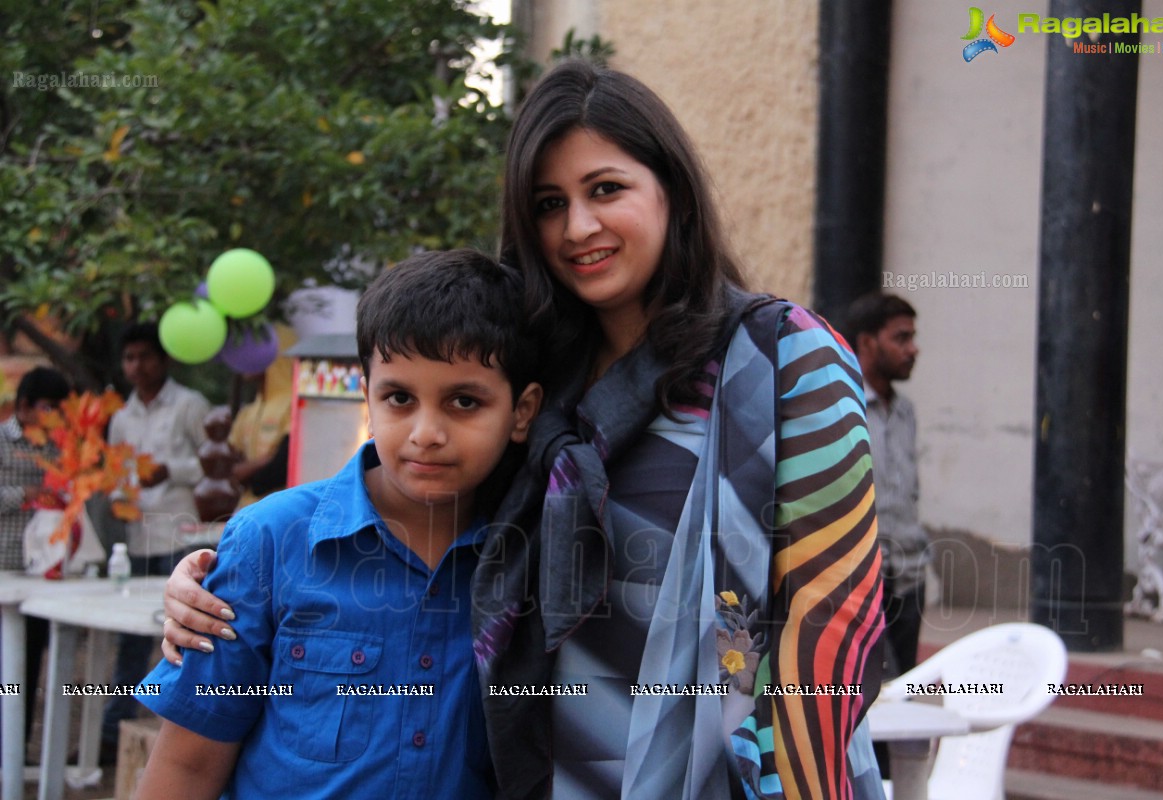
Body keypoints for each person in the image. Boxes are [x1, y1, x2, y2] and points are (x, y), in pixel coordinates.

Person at [160, 60, 886, 800]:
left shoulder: (780, 356)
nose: (578, 227)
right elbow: (420, 516)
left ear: (671, 189)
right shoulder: (539, 373)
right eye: (548, 203)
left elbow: (834, 619)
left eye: (606, 189)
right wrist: (226, 580)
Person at [134, 250, 542, 799]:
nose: (426, 432)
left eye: (464, 402)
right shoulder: (271, 541)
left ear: (521, 412)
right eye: (399, 397)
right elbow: (186, 766)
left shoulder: (530, 554)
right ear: (366, 394)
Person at [102, 322, 212, 755]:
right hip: (138, 538)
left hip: (184, 538)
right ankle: (115, 733)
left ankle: (181, 736)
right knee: (129, 637)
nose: (137, 366)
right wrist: (116, 498)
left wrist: (174, 470)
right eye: (129, 358)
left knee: (184, 637)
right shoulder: (121, 416)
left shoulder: (190, 404)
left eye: (145, 356)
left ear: (163, 359)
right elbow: (117, 473)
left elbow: (218, 463)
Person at [842, 293, 925, 680]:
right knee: (870, 688)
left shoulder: (906, 410)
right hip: (860, 575)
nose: (913, 349)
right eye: (901, 338)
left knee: (903, 685)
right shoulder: (839, 402)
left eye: (912, 338)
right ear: (867, 343)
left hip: (908, 573)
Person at [0, 366, 70, 754]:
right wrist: (23, 493)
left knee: (25, 666)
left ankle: (13, 750)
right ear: (24, 405)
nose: (56, 416)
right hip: (2, 569)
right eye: (49, 407)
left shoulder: (59, 447)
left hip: (41, 573)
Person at [227, 324, 297, 507]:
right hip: (245, 511)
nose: (243, 355)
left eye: (252, 348)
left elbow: (278, 469)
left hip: (279, 512)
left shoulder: (294, 404)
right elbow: (227, 465)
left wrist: (246, 471)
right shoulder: (248, 411)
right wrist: (259, 463)